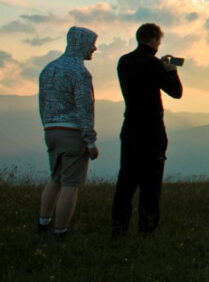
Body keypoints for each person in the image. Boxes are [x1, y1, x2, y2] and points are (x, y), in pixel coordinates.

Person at [111, 23, 182, 237]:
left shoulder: (124, 61)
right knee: (150, 183)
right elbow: (176, 92)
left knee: (126, 182)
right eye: (159, 41)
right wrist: (171, 71)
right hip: (151, 130)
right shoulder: (154, 64)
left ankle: (118, 228)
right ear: (154, 40)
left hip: (130, 127)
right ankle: (146, 229)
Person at [37, 26, 100, 238]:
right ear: (82, 44)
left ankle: (43, 221)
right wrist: (89, 141)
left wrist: (47, 125)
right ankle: (61, 231)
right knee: (70, 185)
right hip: (72, 134)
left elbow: (43, 102)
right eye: (91, 44)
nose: (94, 48)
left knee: (54, 178)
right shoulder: (80, 73)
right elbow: (84, 108)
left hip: (51, 130)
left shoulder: (48, 69)